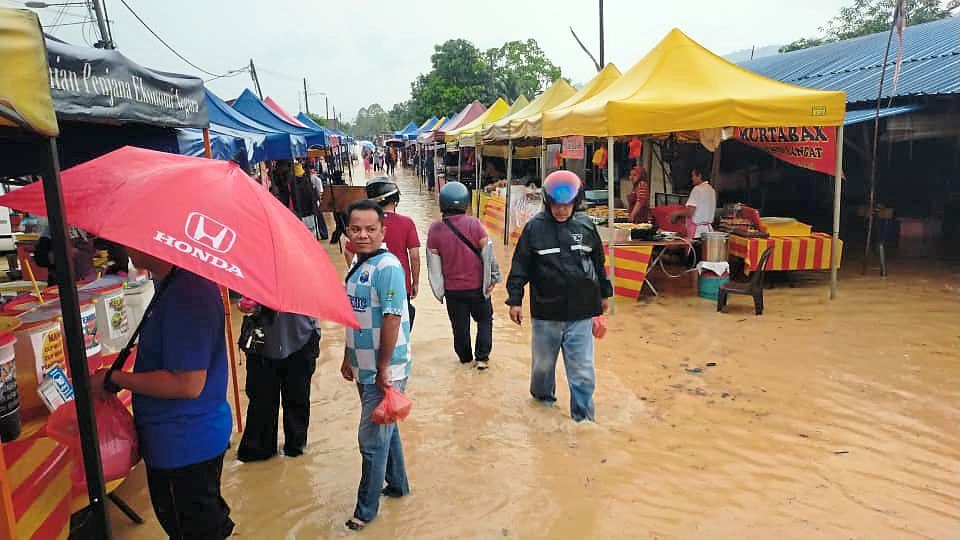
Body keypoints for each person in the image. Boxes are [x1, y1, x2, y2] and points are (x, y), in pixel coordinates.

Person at [91, 252, 234, 539]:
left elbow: (187, 384)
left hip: (184, 443)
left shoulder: (188, 293)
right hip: (184, 439)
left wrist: (117, 378)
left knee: (192, 529)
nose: (125, 246)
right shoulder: (171, 283)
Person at [505, 171, 612, 422]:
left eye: (567, 205)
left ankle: (584, 420)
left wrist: (604, 295)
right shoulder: (534, 229)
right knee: (542, 369)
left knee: (583, 372)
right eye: (556, 205)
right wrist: (515, 300)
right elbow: (520, 266)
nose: (561, 211)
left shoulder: (586, 227)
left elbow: (598, 263)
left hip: (581, 313)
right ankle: (543, 414)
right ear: (547, 202)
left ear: (576, 203)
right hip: (546, 314)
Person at [340, 200, 412, 531]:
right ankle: (397, 485)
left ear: (383, 231)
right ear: (347, 232)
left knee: (370, 441)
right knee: (385, 427)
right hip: (364, 365)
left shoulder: (388, 267)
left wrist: (383, 367)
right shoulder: (357, 263)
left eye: (371, 229)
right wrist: (346, 356)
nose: (363, 235)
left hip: (385, 369)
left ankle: (365, 510)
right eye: (356, 229)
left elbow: (392, 318)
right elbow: (353, 316)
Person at [426, 182, 500, 370]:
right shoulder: (474, 224)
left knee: (460, 328)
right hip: (477, 289)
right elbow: (488, 253)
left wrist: (439, 292)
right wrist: (493, 278)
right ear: (466, 203)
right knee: (485, 321)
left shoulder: (435, 230)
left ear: (442, 204)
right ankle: (482, 359)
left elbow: (433, 264)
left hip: (453, 292)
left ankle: (465, 360)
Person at [236, 300, 320, 462]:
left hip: (302, 338)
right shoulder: (257, 274)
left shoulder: (308, 276)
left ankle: (295, 453)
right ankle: (259, 454)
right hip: (262, 341)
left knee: (297, 403)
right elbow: (244, 300)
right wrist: (245, 304)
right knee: (261, 406)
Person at [344, 177, 421, 327]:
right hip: (400, 283)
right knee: (399, 324)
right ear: (395, 200)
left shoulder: (365, 225)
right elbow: (414, 256)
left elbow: (348, 253)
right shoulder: (407, 223)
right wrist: (415, 282)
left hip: (369, 284)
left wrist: (359, 273)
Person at [669, 166, 717, 240]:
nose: (692, 178)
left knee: (694, 251)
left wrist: (675, 213)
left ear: (699, 175)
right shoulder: (711, 190)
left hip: (697, 233)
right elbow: (701, 212)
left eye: (693, 176)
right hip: (708, 232)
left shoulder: (697, 189)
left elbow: (690, 212)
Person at [307, 163, 329, 239]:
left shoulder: (315, 179)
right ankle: (322, 234)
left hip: (315, 202)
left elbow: (320, 192)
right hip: (314, 202)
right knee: (318, 218)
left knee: (318, 218)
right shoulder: (313, 179)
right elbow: (320, 192)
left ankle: (322, 234)